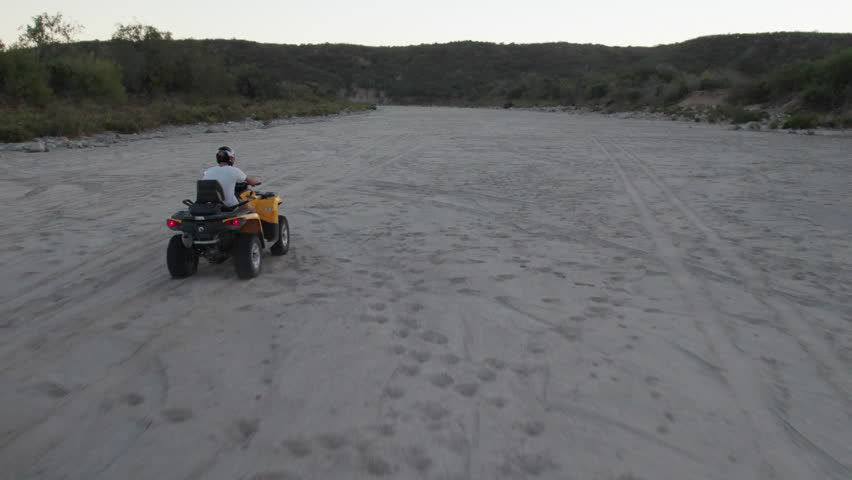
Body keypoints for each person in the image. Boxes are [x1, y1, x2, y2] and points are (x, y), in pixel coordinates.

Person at [202, 146, 261, 212]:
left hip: (211, 206)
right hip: (230, 206)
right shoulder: (234, 170)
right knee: (252, 209)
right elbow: (251, 181)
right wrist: (256, 182)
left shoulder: (208, 171)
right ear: (230, 158)